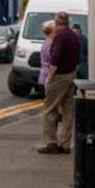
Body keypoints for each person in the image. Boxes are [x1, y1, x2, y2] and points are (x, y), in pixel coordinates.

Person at [36, 11, 80, 155]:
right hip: (71, 75)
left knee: (49, 110)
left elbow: (55, 57)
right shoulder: (74, 35)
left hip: (59, 76)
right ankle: (65, 144)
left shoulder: (59, 36)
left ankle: (51, 143)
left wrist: (50, 76)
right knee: (68, 110)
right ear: (68, 21)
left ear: (57, 22)